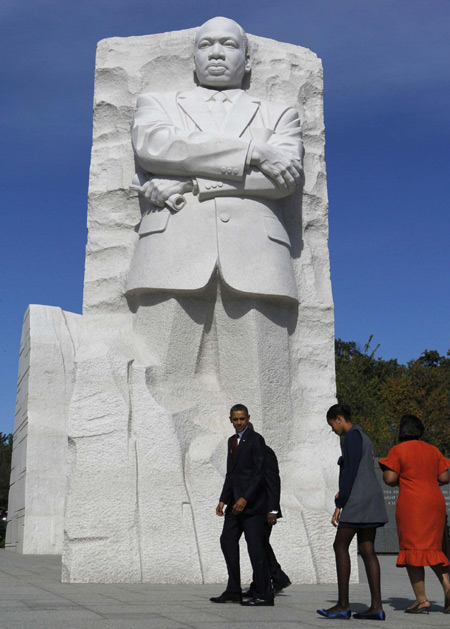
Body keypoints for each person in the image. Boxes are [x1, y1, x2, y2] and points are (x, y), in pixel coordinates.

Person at [317, 404, 388, 621]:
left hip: (358, 500)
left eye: (332, 425)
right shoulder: (363, 436)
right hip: (371, 498)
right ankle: (376, 607)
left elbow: (350, 471)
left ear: (339, 419)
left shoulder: (351, 437)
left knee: (340, 545)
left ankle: (343, 605)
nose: (333, 430)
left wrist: (340, 501)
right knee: (367, 550)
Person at [379, 415, 450, 614]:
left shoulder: (398, 450)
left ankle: (421, 600)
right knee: (434, 549)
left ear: (402, 430)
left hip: (413, 504)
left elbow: (391, 479)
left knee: (413, 550)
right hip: (435, 502)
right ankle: (448, 588)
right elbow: (444, 477)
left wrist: (387, 471)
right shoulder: (433, 450)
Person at [210, 404, 274, 606]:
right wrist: (223, 499)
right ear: (230, 419)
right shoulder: (232, 441)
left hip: (253, 506)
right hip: (234, 505)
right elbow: (232, 474)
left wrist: (245, 498)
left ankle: (265, 594)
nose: (239, 423)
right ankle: (233, 590)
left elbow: (259, 473)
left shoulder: (256, 440)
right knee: (227, 540)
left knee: (256, 549)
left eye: (242, 419)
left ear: (248, 418)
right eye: (235, 419)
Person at [243, 442, 291, 597]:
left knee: (259, 545)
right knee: (260, 545)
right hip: (252, 508)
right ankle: (276, 578)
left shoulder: (265, 452)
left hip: (264, 509)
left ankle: (266, 581)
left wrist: (273, 510)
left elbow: (273, 481)